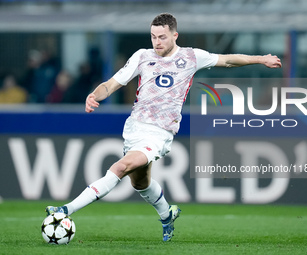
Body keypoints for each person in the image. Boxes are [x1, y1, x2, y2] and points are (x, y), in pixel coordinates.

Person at [46, 13, 282, 241]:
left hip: (160, 133)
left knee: (121, 167)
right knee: (140, 183)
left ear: (174, 35)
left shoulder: (191, 57)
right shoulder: (142, 56)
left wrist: (261, 59)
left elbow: (228, 60)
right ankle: (167, 214)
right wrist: (93, 95)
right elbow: (112, 84)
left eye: (162, 37)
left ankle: (65, 210)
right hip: (135, 128)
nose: (157, 42)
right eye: (153, 37)